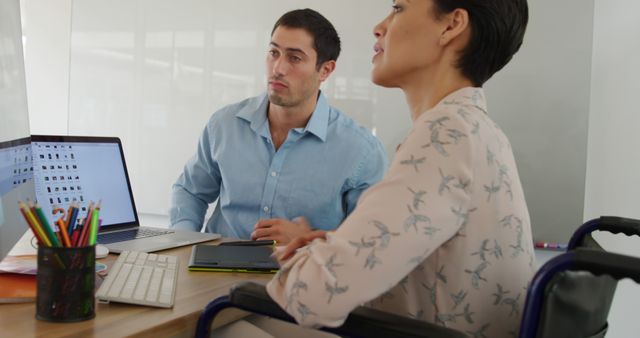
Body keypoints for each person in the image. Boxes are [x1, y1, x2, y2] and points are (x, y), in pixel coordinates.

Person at [264, 0, 535, 337]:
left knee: (221, 319)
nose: (380, 26)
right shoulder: (478, 129)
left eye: (398, 8)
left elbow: (309, 297)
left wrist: (309, 258)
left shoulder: (445, 135)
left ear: (451, 26)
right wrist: (334, 245)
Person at [170, 9, 387, 244]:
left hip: (302, 276)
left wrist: (310, 240)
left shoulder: (362, 151)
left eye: (294, 58)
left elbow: (372, 241)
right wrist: (185, 242)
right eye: (274, 53)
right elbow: (190, 191)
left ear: (325, 70)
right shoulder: (224, 125)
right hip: (214, 272)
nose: (278, 68)